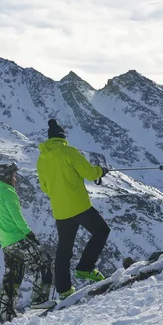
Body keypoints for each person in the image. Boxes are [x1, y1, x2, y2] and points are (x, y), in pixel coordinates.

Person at [36, 119, 111, 300]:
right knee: (102, 231)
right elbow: (89, 173)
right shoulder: (68, 152)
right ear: (62, 137)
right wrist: (101, 170)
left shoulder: (42, 159)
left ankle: (64, 289)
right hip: (79, 205)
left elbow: (45, 187)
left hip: (60, 210)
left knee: (64, 249)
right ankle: (85, 267)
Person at [0, 162, 55, 323]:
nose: (15, 178)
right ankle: (39, 300)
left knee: (12, 278)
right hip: (18, 238)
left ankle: (6, 315)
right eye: (13, 175)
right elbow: (16, 216)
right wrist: (30, 234)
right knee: (44, 262)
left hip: (6, 243)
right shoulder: (8, 192)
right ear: (6, 177)